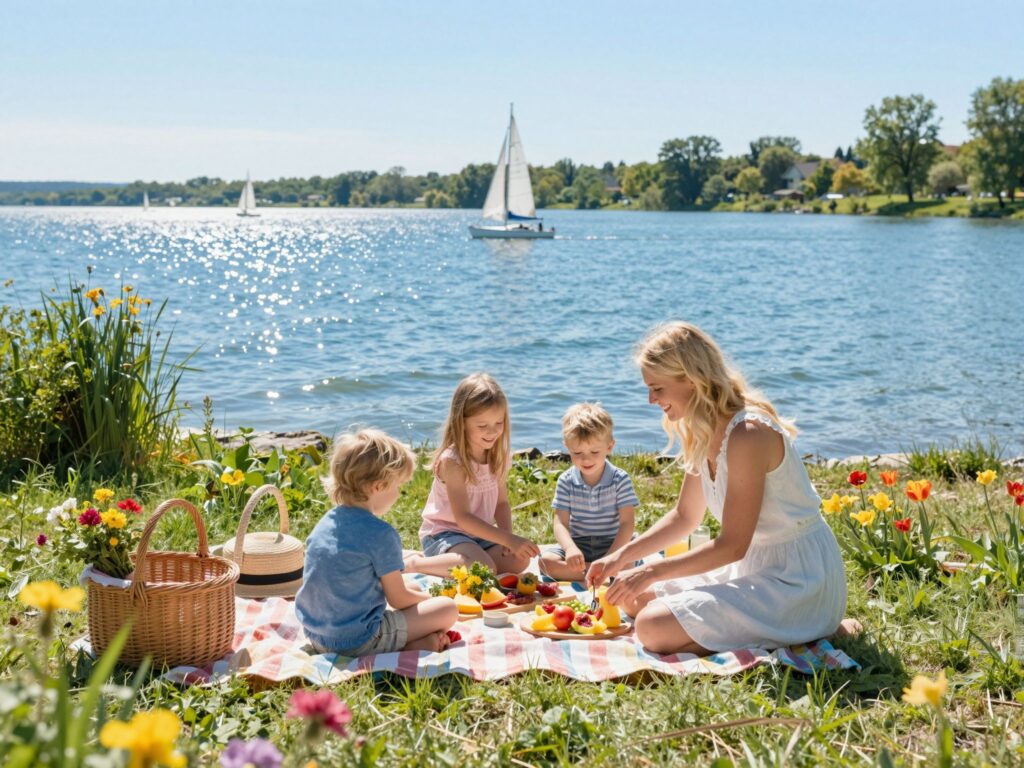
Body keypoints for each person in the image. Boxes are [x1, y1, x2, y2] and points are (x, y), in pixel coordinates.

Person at [586, 322, 851, 656]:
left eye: (657, 388)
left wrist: (652, 570)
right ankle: (794, 628)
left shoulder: (748, 434)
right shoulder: (702, 429)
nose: (651, 400)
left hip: (798, 580)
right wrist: (619, 558)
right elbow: (684, 517)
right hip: (754, 566)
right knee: (635, 599)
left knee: (651, 626)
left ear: (690, 379)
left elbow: (732, 546)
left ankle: (811, 625)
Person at [295, 429, 458, 656]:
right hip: (358, 640)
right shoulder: (380, 534)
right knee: (447, 609)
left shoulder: (325, 523)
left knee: (409, 586)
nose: (399, 494)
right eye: (397, 486)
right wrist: (432, 598)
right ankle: (407, 648)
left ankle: (406, 643)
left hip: (317, 635)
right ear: (379, 486)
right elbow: (399, 599)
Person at [407, 373, 540, 577]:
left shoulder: (498, 455)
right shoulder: (453, 461)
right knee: (483, 569)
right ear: (462, 422)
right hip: (445, 534)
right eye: (482, 426)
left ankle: (464, 559)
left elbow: (501, 504)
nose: (492, 432)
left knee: (519, 561)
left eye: (498, 423)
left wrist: (508, 536)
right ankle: (417, 563)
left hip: (479, 534)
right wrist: (507, 540)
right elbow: (463, 518)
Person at [539, 403, 638, 582]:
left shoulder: (619, 479)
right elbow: (560, 522)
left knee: (628, 562)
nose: (586, 459)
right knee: (545, 563)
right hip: (579, 544)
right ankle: (594, 573)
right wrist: (570, 548)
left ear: (610, 446)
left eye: (594, 451)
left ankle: (598, 571)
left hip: (613, 541)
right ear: (567, 447)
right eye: (577, 452)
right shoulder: (566, 480)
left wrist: (612, 556)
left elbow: (627, 523)